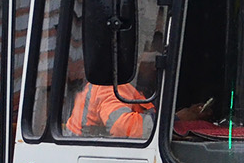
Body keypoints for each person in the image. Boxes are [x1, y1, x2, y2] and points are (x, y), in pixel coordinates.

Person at [65, 53, 211, 138]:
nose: (154, 69)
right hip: (87, 149)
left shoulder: (133, 89)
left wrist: (184, 115)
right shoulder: (112, 86)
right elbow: (120, 126)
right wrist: (175, 120)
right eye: (150, 64)